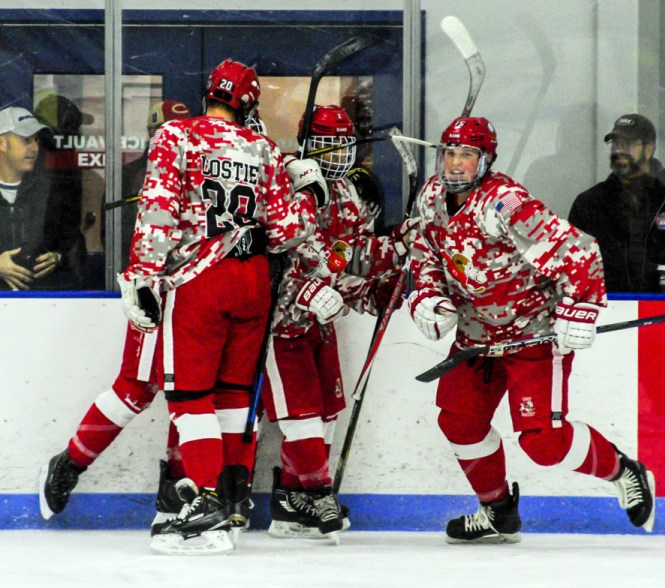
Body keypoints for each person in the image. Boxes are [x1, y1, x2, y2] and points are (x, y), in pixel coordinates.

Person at [41, 58, 317, 556]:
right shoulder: (265, 150)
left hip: (193, 281)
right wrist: (304, 192)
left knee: (187, 398)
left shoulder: (178, 136)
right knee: (221, 394)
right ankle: (223, 497)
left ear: (208, 92)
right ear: (249, 103)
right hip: (251, 282)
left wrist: (143, 274)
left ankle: (205, 500)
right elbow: (289, 233)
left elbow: (158, 209)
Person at [406, 115, 656, 544]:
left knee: (544, 443)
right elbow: (424, 251)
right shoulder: (431, 197)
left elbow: (579, 251)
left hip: (531, 336)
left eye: (467, 154)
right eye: (450, 153)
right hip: (477, 338)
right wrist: (429, 296)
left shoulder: (505, 203)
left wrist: (580, 310)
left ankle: (624, 470)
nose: (455, 163)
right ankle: (497, 510)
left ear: (486, 159)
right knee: (459, 422)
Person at [262, 104, 417, 543]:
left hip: (320, 326)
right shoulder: (288, 185)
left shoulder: (349, 195)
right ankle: (319, 492)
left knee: (327, 414)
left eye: (344, 146)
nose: (337, 156)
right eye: (328, 146)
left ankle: (292, 501)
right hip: (281, 324)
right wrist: (307, 291)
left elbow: (352, 258)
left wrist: (381, 279)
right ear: (308, 143)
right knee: (302, 419)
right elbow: (277, 252)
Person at [569, 113, 665, 293]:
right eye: (615, 143)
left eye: (627, 144)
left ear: (649, 149)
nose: (619, 150)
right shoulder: (590, 203)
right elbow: (572, 263)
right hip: (609, 311)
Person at [0, 106, 81, 290]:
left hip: (42, 304)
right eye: (26, 140)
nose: (35, 148)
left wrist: (59, 257)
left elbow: (76, 242)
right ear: (2, 144)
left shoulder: (52, 191)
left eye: (36, 140)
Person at [116, 100, 191, 270]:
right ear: (152, 132)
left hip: (187, 274)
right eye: (169, 130)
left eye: (185, 130)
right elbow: (117, 235)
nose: (178, 137)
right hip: (145, 273)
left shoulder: (200, 172)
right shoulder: (129, 175)